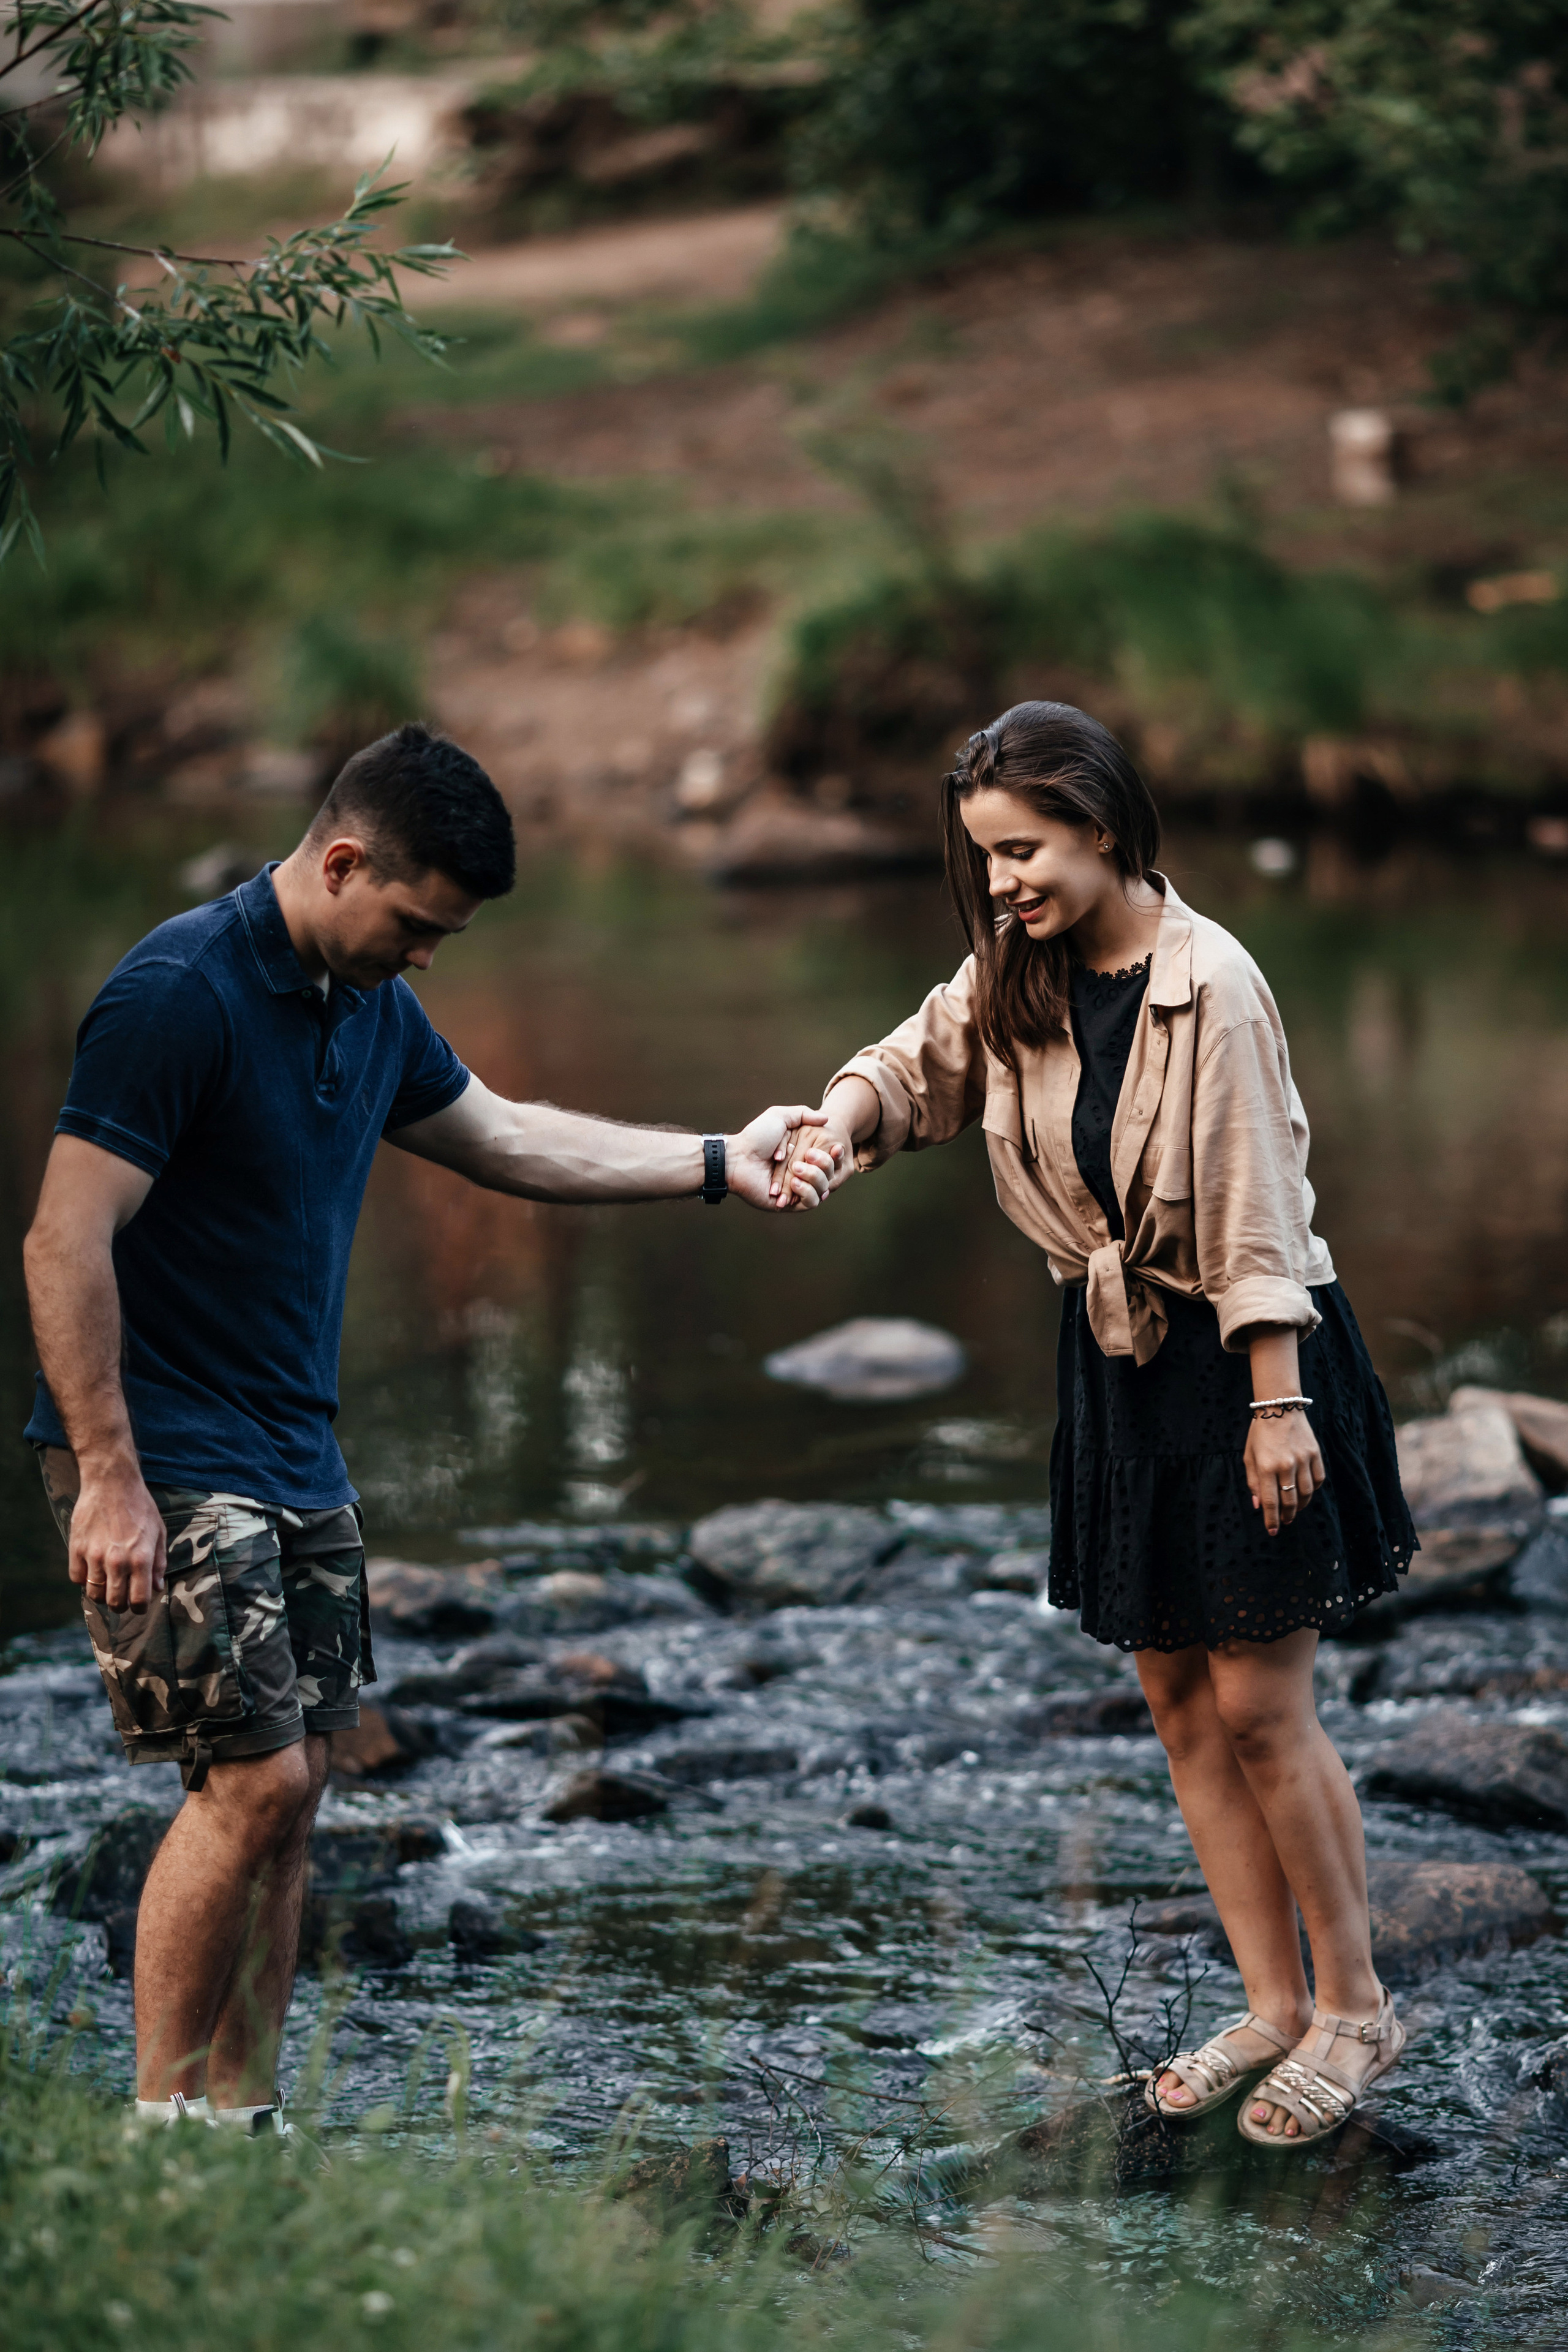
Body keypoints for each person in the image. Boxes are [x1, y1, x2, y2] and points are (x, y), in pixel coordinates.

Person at [23, 721, 836, 2132]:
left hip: (293, 1445)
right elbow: (60, 1238)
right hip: (159, 1449)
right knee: (253, 1781)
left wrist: (718, 1161)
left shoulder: (367, 1008)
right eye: (413, 923)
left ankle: (243, 2121)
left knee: (298, 1792)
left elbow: (510, 1139)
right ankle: (160, 2139)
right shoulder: (178, 994)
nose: (426, 955)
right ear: (341, 862)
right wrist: (105, 1474)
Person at [778, 700, 1416, 2151]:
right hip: (1113, 1361)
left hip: (1246, 1355)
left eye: (1022, 851)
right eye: (985, 858)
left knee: (1262, 1701)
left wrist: (1274, 1403)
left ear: (1102, 825)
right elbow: (909, 1068)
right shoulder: (1018, 970)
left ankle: (1355, 2011)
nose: (1000, 882)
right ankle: (1266, 2004)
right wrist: (833, 1127)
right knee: (1179, 1703)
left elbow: (1259, 1211)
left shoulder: (1216, 982)